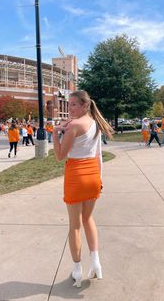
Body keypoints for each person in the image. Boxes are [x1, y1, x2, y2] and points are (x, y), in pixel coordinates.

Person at [53, 90, 113, 288]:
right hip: (94, 175)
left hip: (76, 176)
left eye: (74, 105)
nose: (69, 108)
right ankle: (96, 263)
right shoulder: (95, 122)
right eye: (68, 104)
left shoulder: (74, 126)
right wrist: (100, 179)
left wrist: (55, 133)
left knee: (75, 225)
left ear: (85, 105)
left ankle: (77, 269)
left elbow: (60, 155)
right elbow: (98, 155)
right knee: (88, 218)